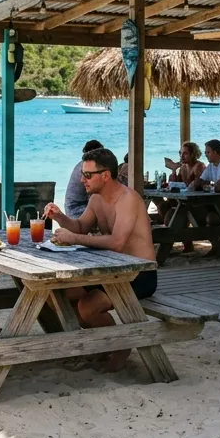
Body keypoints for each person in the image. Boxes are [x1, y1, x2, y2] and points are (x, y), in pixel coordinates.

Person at [43, 147, 156, 372]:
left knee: (87, 307)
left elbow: (116, 242)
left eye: (87, 175)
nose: (81, 179)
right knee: (59, 294)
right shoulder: (96, 199)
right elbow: (80, 226)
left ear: (105, 176)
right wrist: (60, 217)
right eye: (82, 174)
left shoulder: (128, 199)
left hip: (139, 273)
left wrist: (74, 238)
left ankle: (120, 346)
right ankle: (103, 344)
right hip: (110, 271)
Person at [63, 139, 104, 220]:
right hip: (76, 209)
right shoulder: (87, 168)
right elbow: (94, 195)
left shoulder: (84, 165)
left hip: (73, 207)